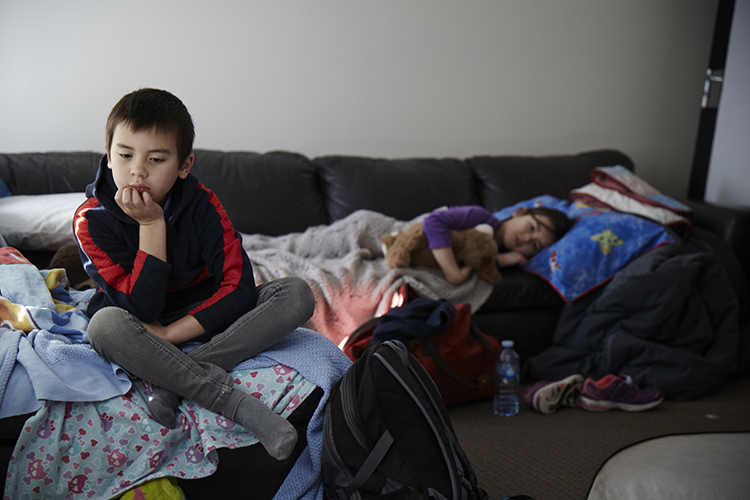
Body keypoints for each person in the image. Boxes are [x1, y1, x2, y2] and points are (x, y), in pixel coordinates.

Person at [74, 88, 315, 460]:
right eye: (124, 155)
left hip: (204, 313)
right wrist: (152, 225)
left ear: (184, 165)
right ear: (108, 157)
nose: (137, 170)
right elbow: (144, 309)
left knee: (296, 293)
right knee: (103, 326)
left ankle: (174, 381)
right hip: (136, 324)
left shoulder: (202, 201)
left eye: (156, 159)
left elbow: (239, 287)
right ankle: (235, 405)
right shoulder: (91, 220)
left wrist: (171, 335)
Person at [422, 205, 573, 285]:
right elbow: (433, 221)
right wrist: (453, 273)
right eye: (531, 227)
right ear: (520, 212)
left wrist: (507, 259)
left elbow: (476, 261)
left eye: (534, 245)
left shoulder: (499, 252)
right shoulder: (480, 217)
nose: (526, 239)